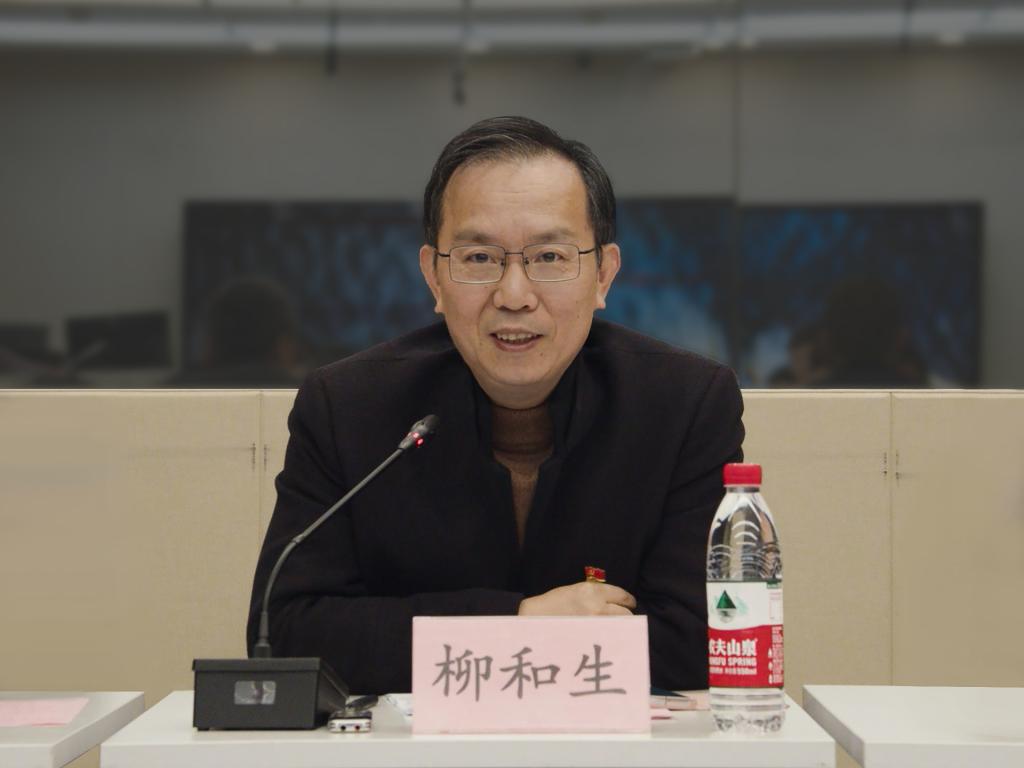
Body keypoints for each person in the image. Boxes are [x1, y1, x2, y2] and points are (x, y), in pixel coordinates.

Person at [247, 116, 744, 694]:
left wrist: (445, 638)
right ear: (434, 277)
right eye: (480, 259)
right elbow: (286, 634)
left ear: (603, 275)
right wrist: (519, 622)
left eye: (550, 257)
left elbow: (706, 642)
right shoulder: (348, 408)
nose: (514, 295)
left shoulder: (684, 405)